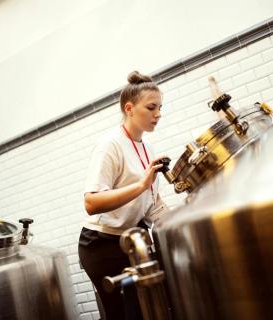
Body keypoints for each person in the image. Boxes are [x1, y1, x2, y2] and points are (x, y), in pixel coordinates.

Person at [78, 71, 166, 320]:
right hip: (101, 244)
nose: (158, 114)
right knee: (126, 315)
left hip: (130, 241)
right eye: (151, 108)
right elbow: (91, 202)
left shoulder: (147, 147)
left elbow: (151, 203)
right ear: (129, 108)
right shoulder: (110, 144)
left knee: (152, 308)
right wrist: (140, 185)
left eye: (160, 107)